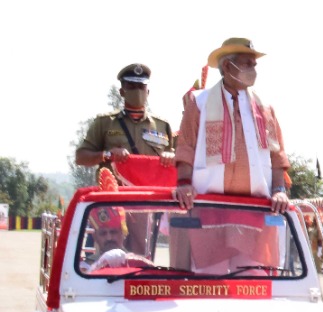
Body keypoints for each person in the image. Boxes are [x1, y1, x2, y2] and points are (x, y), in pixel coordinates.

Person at [173, 38, 290, 212]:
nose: (253, 70)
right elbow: (186, 149)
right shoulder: (198, 103)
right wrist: (183, 183)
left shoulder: (265, 107)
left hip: (257, 207)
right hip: (207, 204)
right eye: (247, 64)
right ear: (227, 66)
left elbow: (277, 155)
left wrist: (279, 191)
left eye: (254, 65)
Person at [76, 63, 175, 255]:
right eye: (131, 87)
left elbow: (179, 162)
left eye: (141, 87)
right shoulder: (105, 123)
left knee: (140, 259)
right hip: (112, 203)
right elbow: (81, 157)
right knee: (108, 256)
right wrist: (107, 154)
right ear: (122, 91)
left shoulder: (163, 126)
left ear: (148, 91)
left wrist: (171, 156)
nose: (137, 91)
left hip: (145, 206)